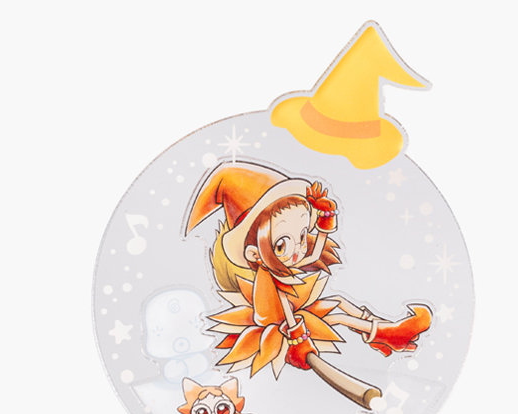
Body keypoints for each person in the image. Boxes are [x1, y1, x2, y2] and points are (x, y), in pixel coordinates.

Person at [185, 161, 431, 379]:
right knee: (336, 316)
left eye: (302, 236)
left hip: (296, 312)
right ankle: (387, 334)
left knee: (339, 301)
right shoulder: (268, 278)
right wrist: (297, 338)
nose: (298, 250)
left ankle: (383, 333)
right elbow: (280, 306)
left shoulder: (282, 266)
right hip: (280, 325)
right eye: (281, 245)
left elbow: (312, 255)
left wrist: (324, 226)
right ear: (254, 254)